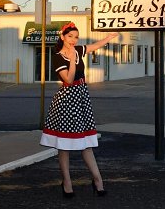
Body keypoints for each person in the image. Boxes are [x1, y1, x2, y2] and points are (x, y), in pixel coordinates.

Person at [40, 22, 119, 198]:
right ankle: (67, 183)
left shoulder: (79, 50)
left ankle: (98, 180)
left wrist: (109, 37)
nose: (74, 40)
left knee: (87, 143)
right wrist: (73, 58)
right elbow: (68, 79)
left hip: (82, 97)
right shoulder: (58, 56)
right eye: (70, 36)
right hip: (67, 101)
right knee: (64, 145)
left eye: (76, 37)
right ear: (62, 37)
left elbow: (94, 46)